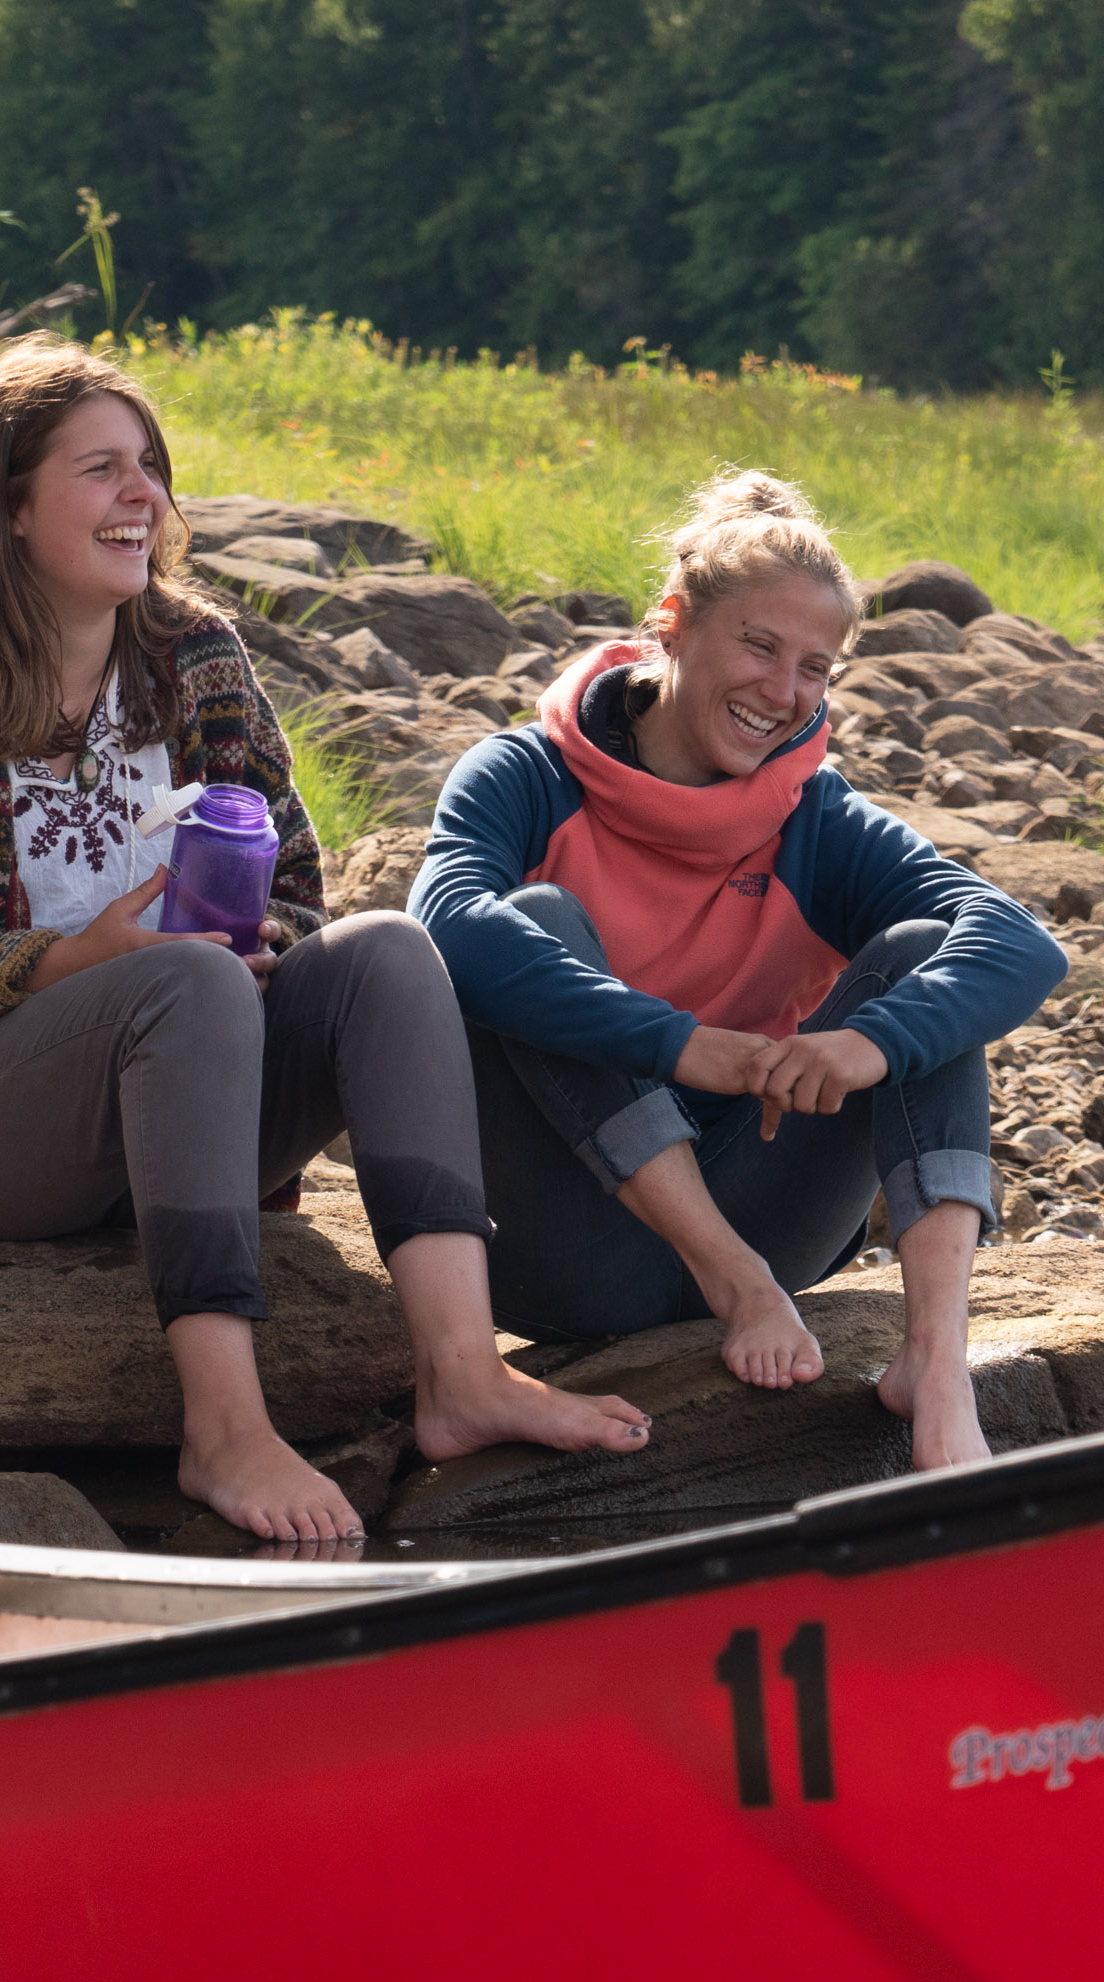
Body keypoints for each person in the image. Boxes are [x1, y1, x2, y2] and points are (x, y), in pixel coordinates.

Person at [0, 339, 647, 1543]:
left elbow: (297, 884)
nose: (143, 495)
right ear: (10, 506)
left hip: (187, 1077)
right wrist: (61, 963)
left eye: (151, 466)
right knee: (181, 980)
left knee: (391, 951)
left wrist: (262, 947)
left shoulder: (197, 659)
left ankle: (461, 1372)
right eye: (100, 470)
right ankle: (225, 1428)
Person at [414, 469, 1062, 1469]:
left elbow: (1019, 942)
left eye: (815, 666)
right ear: (669, 624)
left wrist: (866, 1043)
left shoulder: (816, 816)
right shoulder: (523, 775)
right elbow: (443, 922)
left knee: (924, 962)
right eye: (758, 645)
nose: (783, 691)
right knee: (528, 921)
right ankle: (727, 1279)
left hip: (774, 1216)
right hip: (565, 1247)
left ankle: (933, 1366)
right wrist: (678, 1045)